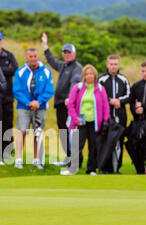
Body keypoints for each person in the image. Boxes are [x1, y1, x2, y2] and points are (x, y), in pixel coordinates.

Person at [41, 32, 82, 167]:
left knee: (71, 133)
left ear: (74, 54)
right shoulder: (64, 65)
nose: (66, 54)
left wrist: (69, 98)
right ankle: (69, 156)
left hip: (69, 105)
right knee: (63, 131)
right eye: (65, 52)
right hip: (60, 104)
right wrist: (45, 46)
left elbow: (75, 83)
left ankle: (75, 160)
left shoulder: (77, 68)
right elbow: (52, 61)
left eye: (69, 52)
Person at [61, 64, 110, 175]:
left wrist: (106, 120)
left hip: (95, 122)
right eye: (87, 74)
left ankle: (91, 169)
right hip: (80, 121)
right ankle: (73, 168)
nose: (89, 76)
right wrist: (75, 118)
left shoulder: (101, 89)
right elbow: (71, 104)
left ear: (95, 75)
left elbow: (105, 106)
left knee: (93, 146)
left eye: (91, 73)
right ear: (83, 76)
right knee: (77, 146)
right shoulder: (77, 88)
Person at [12, 48, 54, 170]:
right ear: (27, 58)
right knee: (22, 131)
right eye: (30, 56)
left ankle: (37, 159)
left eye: (35, 56)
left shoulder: (46, 71)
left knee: (38, 132)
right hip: (23, 106)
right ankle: (18, 159)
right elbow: (17, 90)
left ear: (38, 57)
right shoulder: (20, 72)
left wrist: (38, 101)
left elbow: (49, 90)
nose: (33, 59)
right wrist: (28, 102)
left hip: (40, 107)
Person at [98, 54, 131, 173]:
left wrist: (119, 101)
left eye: (115, 64)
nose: (113, 66)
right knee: (105, 142)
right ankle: (103, 168)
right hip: (106, 117)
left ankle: (116, 168)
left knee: (118, 142)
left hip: (120, 117)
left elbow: (129, 96)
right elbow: (98, 95)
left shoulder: (124, 79)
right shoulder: (101, 79)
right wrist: (110, 101)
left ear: (119, 65)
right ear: (107, 65)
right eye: (111, 64)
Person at [0, 30, 18, 160]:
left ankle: (7, 150)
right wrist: (4, 70)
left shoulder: (9, 55)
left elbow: (14, 70)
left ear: (1, 41)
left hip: (7, 96)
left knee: (7, 123)